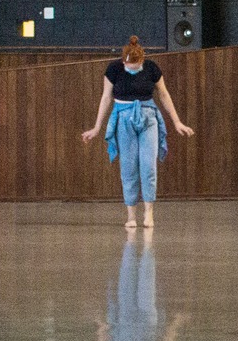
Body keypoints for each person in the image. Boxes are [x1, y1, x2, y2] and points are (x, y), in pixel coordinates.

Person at [80, 37, 195, 230]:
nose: (134, 68)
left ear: (142, 61)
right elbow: (106, 98)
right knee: (128, 167)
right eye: (130, 66)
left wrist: (176, 121)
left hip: (148, 117)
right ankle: (131, 215)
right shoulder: (114, 70)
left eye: (137, 65)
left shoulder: (151, 68)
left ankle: (149, 212)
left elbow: (164, 95)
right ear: (124, 62)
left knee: (148, 166)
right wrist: (97, 127)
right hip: (124, 117)